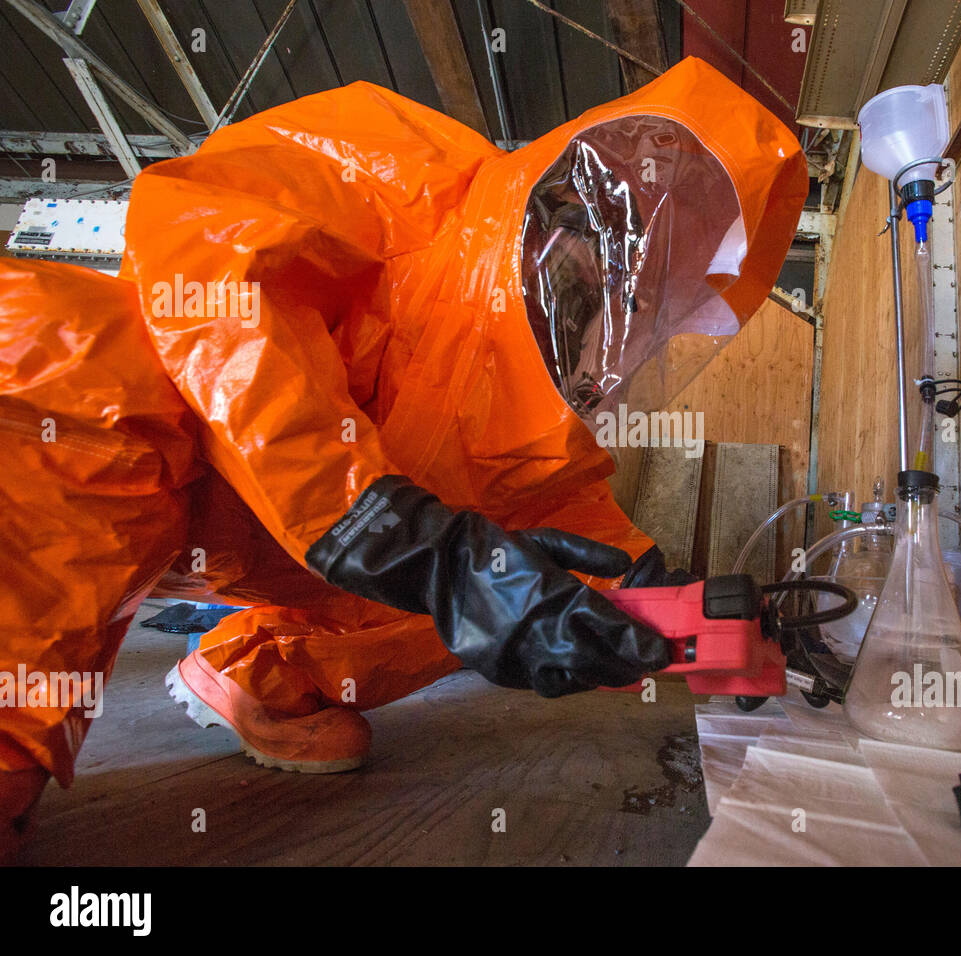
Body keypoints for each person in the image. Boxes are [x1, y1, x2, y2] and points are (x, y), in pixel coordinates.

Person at [0, 56, 805, 860]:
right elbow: (208, 251)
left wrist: (665, 598)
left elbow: (553, 515)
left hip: (273, 548)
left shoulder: (552, 380)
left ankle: (260, 673)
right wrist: (375, 520)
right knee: (81, 352)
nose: (626, 270)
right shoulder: (409, 166)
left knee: (509, 588)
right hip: (133, 448)